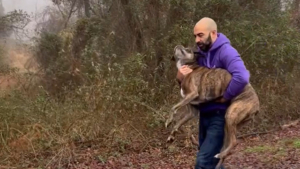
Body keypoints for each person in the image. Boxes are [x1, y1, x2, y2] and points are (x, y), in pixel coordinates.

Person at [176, 17, 250, 169]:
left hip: (220, 116)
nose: (197, 40)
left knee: (203, 162)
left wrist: (226, 97)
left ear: (213, 33)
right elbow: (192, 84)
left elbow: (242, 77)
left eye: (201, 35)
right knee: (213, 162)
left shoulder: (226, 52)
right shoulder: (201, 53)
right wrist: (180, 77)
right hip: (204, 114)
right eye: (195, 36)